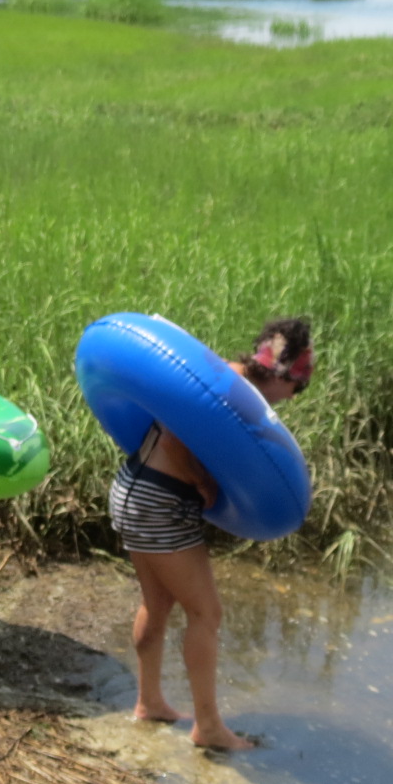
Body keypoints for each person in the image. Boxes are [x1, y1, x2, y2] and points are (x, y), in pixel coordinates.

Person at [111, 317, 314, 751]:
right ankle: (209, 727)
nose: (291, 401)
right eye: (295, 391)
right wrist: (202, 483)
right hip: (161, 501)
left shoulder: (218, 373)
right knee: (206, 614)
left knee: (158, 602)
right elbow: (172, 441)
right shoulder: (229, 393)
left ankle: (150, 703)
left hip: (132, 489)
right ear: (284, 375)